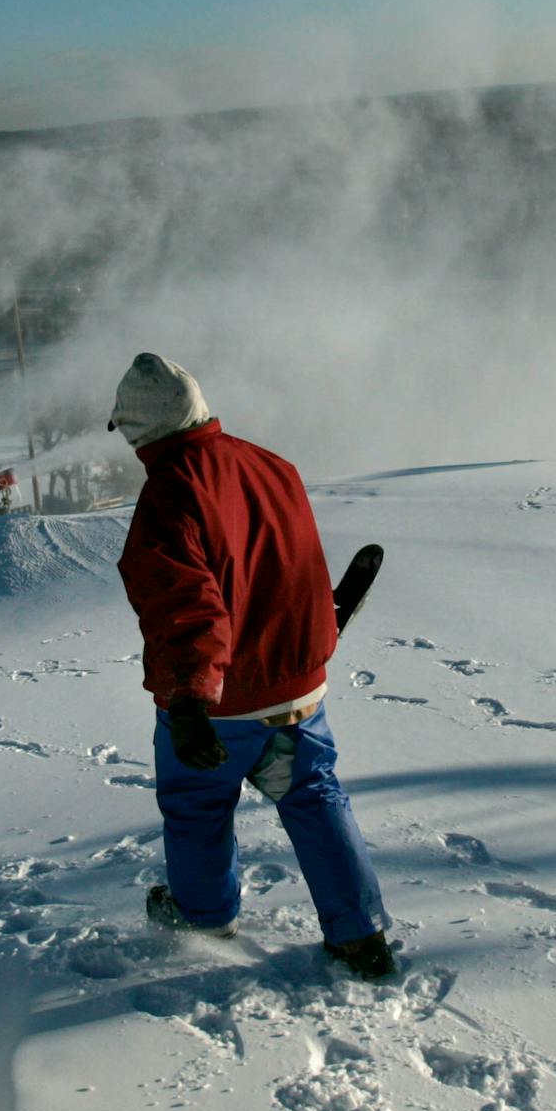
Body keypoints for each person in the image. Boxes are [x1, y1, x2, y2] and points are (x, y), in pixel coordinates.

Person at [109, 353, 395, 979]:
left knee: (196, 803)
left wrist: (187, 702)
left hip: (222, 701)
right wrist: (327, 620)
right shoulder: (272, 466)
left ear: (140, 427)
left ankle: (205, 912)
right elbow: (291, 571)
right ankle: (360, 936)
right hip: (299, 687)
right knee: (315, 794)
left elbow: (188, 606)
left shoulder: (169, 492)